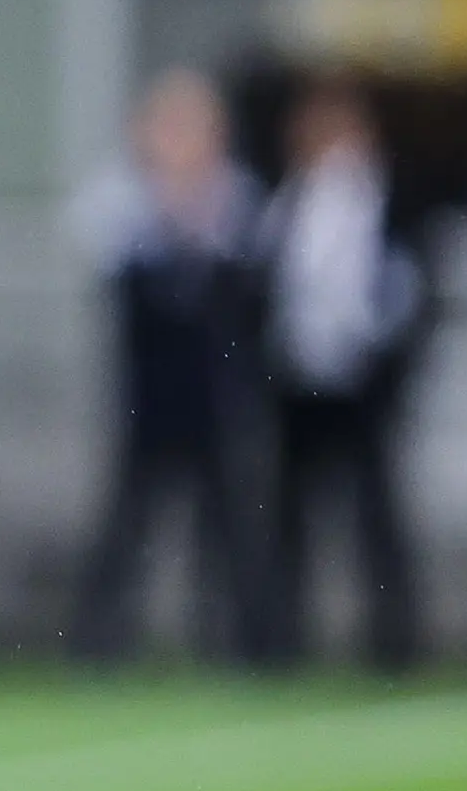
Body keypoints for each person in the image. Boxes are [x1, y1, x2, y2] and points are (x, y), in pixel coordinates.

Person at [69, 69, 268, 666]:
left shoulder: (235, 200)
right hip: (147, 398)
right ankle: (98, 646)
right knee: (127, 528)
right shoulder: (122, 200)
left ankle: (236, 648)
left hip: (213, 397)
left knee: (227, 532)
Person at [256, 82, 425, 671]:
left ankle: (393, 645)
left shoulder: (388, 200)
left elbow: (409, 290)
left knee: (374, 521)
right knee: (289, 522)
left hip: (362, 387)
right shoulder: (287, 200)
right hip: (298, 386)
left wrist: (383, 358)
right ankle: (281, 645)